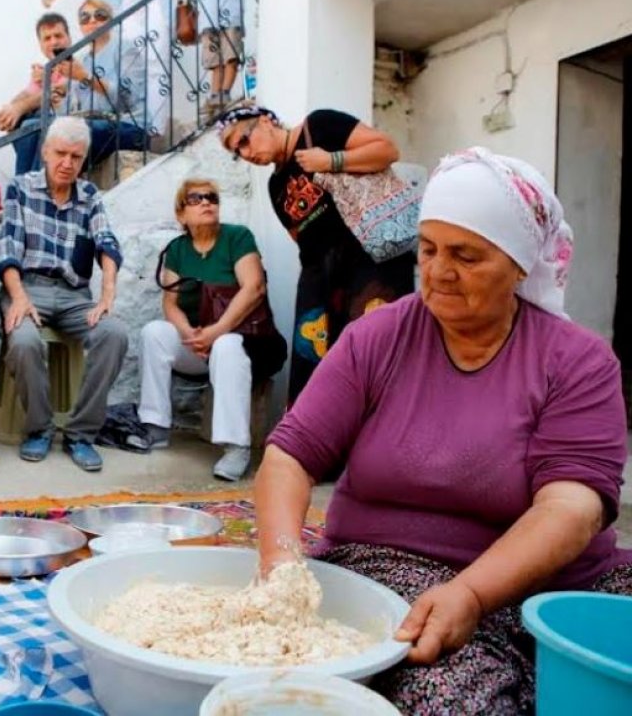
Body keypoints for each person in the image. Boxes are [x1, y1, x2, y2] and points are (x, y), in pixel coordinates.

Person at [255, 147, 631, 714]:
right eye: (427, 249)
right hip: (392, 565)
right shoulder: (375, 338)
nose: (438, 271)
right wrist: (282, 568)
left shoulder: (578, 362)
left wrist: (475, 593)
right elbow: (290, 457)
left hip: (548, 582)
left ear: (520, 263)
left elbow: (571, 509)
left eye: (468, 255)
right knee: (455, 698)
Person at [218, 104, 415, 403]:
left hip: (371, 261)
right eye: (237, 152)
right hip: (321, 277)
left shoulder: (319, 126)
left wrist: (330, 160)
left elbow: (387, 150)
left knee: (375, 354)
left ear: (265, 121)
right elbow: (302, 239)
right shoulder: (276, 185)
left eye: (244, 140)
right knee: (311, 362)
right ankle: (310, 444)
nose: (246, 154)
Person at [0, 116, 128, 472]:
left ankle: (80, 434)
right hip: (27, 287)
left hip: (74, 295)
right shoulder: (20, 188)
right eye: (60, 154)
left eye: (76, 156)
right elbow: (8, 248)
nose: (67, 163)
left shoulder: (89, 196)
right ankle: (39, 429)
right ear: (44, 152)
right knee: (23, 342)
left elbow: (107, 243)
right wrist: (19, 297)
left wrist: (107, 296)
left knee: (114, 334)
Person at [139, 179, 285, 481]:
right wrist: (190, 336)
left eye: (212, 197)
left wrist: (216, 332)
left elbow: (253, 288)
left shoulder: (237, 237)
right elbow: (171, 304)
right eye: (196, 199)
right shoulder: (178, 249)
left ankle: (236, 448)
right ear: (181, 215)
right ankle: (155, 427)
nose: (207, 202)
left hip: (254, 344)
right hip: (203, 343)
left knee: (227, 345)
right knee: (154, 333)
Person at [42, 0, 196, 136]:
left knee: (156, 67)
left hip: (157, 4)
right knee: (129, 66)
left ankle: (155, 130)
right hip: (127, 11)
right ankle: (131, 122)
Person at [65, 0, 148, 167]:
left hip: (128, 127)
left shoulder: (125, 48)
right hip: (94, 127)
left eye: (100, 15)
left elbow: (127, 98)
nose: (92, 20)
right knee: (34, 128)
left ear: (110, 20)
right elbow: (80, 108)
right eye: (85, 17)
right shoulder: (83, 61)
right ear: (81, 27)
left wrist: (86, 77)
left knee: (67, 133)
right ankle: (28, 188)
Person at [0, 13, 73, 175]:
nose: (54, 41)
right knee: (19, 123)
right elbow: (25, 95)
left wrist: (20, 108)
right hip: (48, 133)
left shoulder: (75, 66)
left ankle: (25, 183)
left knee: (29, 125)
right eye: (47, 38)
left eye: (58, 35)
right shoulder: (45, 71)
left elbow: (57, 92)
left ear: (69, 38)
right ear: (41, 45)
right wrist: (7, 112)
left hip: (69, 126)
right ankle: (27, 182)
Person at [197, 0, 254, 114]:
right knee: (214, 60)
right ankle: (215, 94)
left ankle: (225, 92)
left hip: (231, 17)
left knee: (230, 56)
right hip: (209, 19)